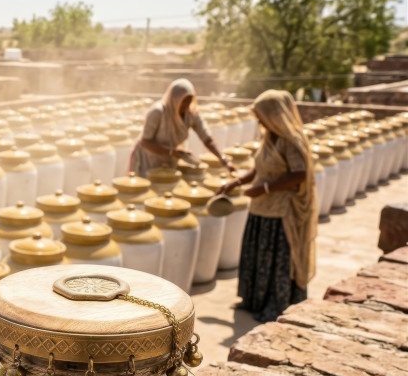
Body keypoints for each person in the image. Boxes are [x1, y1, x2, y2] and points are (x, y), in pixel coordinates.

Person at [226, 89, 317, 321]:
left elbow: (299, 173)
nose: (258, 121)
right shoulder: (269, 137)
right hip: (260, 209)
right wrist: (236, 182)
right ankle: (253, 300)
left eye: (261, 116)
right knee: (256, 255)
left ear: (275, 114)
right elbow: (259, 169)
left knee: (275, 259)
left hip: (281, 212)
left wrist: (264, 189)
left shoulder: (290, 141)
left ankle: (274, 305)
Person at [131, 79, 235, 176]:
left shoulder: (191, 114)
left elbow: (207, 139)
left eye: (189, 101)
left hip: (169, 160)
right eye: (183, 101)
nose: (186, 104)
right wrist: (171, 151)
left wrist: (223, 159)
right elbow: (145, 142)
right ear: (174, 99)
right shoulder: (158, 112)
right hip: (150, 159)